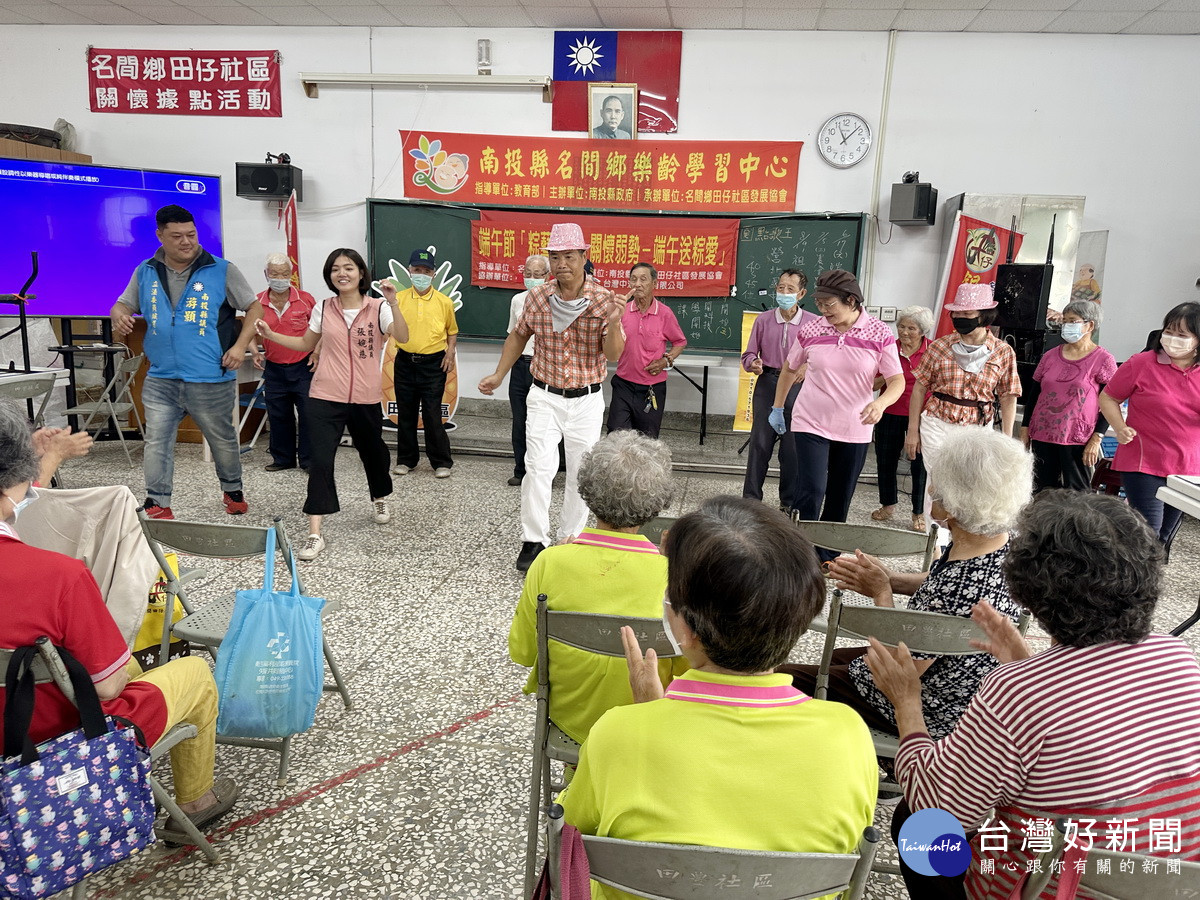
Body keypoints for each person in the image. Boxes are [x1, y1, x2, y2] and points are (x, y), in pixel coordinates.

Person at [866, 490, 1200, 900]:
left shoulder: (1017, 693)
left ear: (1028, 588)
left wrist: (907, 702)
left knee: (916, 824)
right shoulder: (1176, 655)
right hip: (1166, 883)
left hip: (1049, 887)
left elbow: (939, 807)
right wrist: (1024, 662)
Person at [558, 497, 877, 900]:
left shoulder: (615, 734)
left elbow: (571, 829)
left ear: (686, 629)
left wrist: (648, 718)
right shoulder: (848, 735)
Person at [0, 399, 239, 835]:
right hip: (52, 729)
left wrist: (37, 462)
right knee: (193, 675)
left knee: (124, 665)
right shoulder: (56, 576)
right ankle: (195, 801)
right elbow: (105, 686)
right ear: (15, 479)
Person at [780, 428, 1031, 742]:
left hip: (928, 708)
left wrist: (881, 593)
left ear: (953, 503)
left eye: (936, 480)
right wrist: (893, 581)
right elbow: (950, 587)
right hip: (969, 698)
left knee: (780, 679)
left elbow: (901, 675)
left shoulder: (954, 586)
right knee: (832, 659)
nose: (930, 487)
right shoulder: (1005, 547)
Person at [507, 430, 682, 745]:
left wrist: (560, 555)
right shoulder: (678, 579)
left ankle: (578, 772)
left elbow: (523, 652)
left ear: (587, 491)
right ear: (657, 503)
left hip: (568, 721)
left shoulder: (549, 563)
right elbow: (687, 671)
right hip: (645, 720)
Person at [477, 223, 625, 572]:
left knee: (579, 472)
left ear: (584, 258)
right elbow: (518, 336)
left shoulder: (603, 300)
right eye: (554, 257)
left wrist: (616, 323)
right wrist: (498, 374)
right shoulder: (537, 297)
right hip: (544, 394)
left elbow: (614, 354)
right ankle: (533, 540)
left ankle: (570, 539)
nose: (561, 264)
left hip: (586, 399)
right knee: (537, 468)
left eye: (569, 257)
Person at [255, 248, 409, 562]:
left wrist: (393, 300)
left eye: (349, 268)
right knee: (321, 461)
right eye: (336, 269)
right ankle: (315, 533)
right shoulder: (324, 308)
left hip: (365, 397)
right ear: (330, 276)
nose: (342, 274)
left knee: (373, 453)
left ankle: (379, 496)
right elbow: (304, 345)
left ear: (361, 274)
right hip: (325, 394)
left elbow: (403, 336)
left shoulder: (378, 307)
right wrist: (272, 335)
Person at [110, 204, 260, 520]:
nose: (186, 241)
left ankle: (232, 489)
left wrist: (240, 346)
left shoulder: (221, 269)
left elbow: (254, 309)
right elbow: (122, 305)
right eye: (176, 236)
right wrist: (120, 316)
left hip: (209, 377)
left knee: (222, 440)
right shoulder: (146, 271)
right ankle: (157, 501)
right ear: (160, 236)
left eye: (191, 234)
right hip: (161, 377)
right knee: (157, 442)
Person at [770, 270, 904, 546]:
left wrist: (880, 403)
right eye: (819, 303)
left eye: (829, 303)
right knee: (811, 489)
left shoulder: (879, 332)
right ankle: (801, 551)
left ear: (851, 301)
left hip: (855, 425)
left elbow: (897, 381)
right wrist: (778, 406)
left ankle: (828, 554)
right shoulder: (811, 330)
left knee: (840, 494)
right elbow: (789, 368)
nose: (822, 309)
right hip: (811, 420)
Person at [1099, 301, 1200, 549]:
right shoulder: (1142, 363)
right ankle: (1135, 585)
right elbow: (1108, 397)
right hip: (1143, 461)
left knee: (1164, 536)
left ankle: (1150, 583)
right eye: (1169, 331)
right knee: (1148, 533)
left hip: (1187, 467)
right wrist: (1120, 427)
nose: (1172, 339)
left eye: (1182, 335)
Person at [906, 283, 1021, 499]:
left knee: (971, 484)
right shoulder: (939, 346)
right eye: (956, 313)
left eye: (967, 313)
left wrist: (1006, 439)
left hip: (978, 426)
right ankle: (936, 531)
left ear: (984, 316)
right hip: (937, 422)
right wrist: (913, 430)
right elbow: (919, 389)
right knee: (938, 482)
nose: (960, 317)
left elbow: (1008, 396)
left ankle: (960, 533)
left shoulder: (1003, 352)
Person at [741, 269, 818, 511]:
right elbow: (749, 354)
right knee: (760, 444)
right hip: (768, 383)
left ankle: (788, 503)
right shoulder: (763, 320)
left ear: (802, 293)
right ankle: (751, 501)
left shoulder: (813, 322)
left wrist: (807, 366)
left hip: (797, 386)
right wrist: (753, 363)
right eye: (781, 288)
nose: (784, 293)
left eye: (790, 289)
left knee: (792, 448)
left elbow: (819, 355)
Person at [1023, 299, 1116, 492]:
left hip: (1077, 437)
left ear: (1089, 325)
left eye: (1072, 320)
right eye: (1064, 321)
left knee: (1077, 491)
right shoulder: (1049, 356)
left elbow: (1111, 402)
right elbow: (1034, 395)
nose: (1066, 325)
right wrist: (1025, 429)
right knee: (1041, 489)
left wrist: (1097, 437)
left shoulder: (1103, 359)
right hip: (1043, 433)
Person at [390, 249, 458, 479]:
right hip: (405, 362)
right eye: (417, 270)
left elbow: (452, 331)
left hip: (433, 364)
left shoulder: (444, 302)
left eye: (426, 271)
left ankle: (441, 461)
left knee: (431, 413)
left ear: (434, 274)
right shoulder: (397, 299)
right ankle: (406, 460)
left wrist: (450, 353)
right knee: (406, 413)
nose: (421, 274)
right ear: (409, 271)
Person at [606, 263, 687, 439]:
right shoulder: (622, 312)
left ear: (654, 284)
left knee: (647, 441)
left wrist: (666, 361)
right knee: (615, 436)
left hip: (652, 388)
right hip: (623, 385)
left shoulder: (664, 313)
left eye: (643, 279)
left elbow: (680, 341)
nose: (638, 284)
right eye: (633, 279)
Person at [871, 305, 933, 531]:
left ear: (923, 331)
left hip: (922, 416)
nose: (904, 332)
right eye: (901, 327)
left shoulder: (933, 352)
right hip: (889, 411)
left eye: (911, 328)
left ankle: (918, 512)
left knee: (920, 465)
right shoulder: (888, 349)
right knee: (885, 461)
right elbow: (874, 382)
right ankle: (888, 504)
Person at [254, 253, 316, 473]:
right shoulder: (257, 301)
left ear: (291, 275)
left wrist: (316, 353)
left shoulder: (306, 299)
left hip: (303, 366)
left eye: (284, 274)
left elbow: (319, 330)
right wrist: (254, 351)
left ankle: (309, 461)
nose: (279, 278)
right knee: (279, 414)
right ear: (266, 275)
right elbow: (249, 332)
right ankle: (282, 459)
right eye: (274, 274)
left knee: (308, 414)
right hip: (274, 367)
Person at [506, 255, 551, 487]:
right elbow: (513, 337)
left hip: (543, 366)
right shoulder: (517, 300)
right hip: (519, 365)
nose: (531, 279)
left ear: (547, 276)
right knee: (520, 420)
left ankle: (544, 472)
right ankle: (520, 470)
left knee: (543, 424)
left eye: (537, 275)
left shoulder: (555, 300)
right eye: (527, 274)